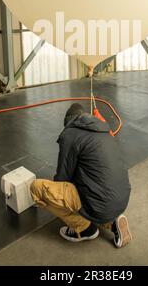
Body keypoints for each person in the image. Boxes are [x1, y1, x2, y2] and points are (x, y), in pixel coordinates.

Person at [30, 103, 132, 247]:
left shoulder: (70, 134)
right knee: (92, 186)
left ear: (69, 122)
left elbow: (62, 178)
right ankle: (112, 222)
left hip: (100, 203)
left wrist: (51, 196)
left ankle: (85, 229)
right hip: (121, 199)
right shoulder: (104, 130)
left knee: (36, 188)